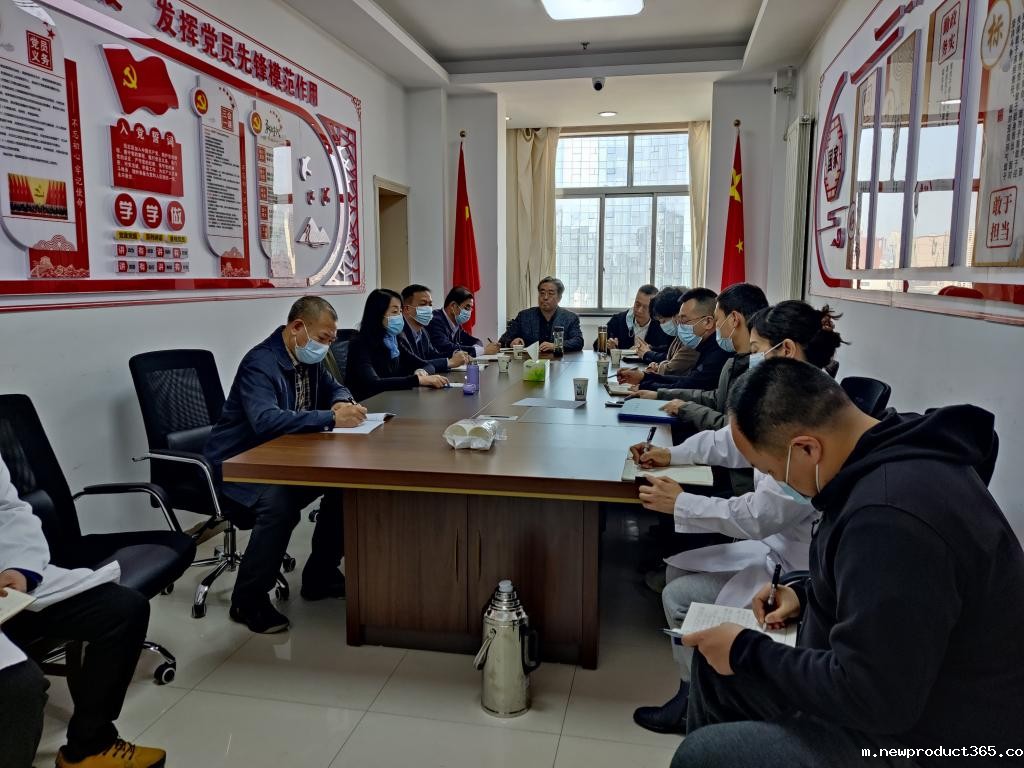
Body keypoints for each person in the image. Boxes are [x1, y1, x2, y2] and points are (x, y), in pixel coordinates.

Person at [672, 359, 1024, 768]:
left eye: (771, 471)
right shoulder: (890, 453)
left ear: (807, 448)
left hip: (938, 741)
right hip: (894, 689)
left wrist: (748, 651)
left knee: (704, 753)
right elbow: (884, 595)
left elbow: (876, 699)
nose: (777, 481)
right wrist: (805, 593)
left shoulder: (890, 519)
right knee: (718, 671)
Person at [628, 301, 845, 736]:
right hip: (777, 547)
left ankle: (698, 705)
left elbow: (761, 514)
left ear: (785, 350)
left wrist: (682, 503)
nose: (753, 357)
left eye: (759, 348)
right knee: (676, 573)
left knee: (680, 594)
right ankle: (695, 690)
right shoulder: (791, 396)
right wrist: (672, 455)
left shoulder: (812, 419)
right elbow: (731, 441)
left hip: (795, 569)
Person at [204, 296, 369, 633]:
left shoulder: (307, 358)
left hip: (281, 458)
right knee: (279, 503)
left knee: (344, 487)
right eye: (322, 338)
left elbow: (335, 387)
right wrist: (330, 419)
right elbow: (265, 420)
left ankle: (320, 575)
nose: (325, 347)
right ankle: (247, 600)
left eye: (330, 340)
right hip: (238, 464)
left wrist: (340, 402)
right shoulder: (261, 364)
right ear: (297, 328)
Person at [0, 455, 165, 768]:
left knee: (123, 610)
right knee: (19, 686)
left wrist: (18, 568)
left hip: (8, 586)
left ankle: (90, 745)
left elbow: (7, 509)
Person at [632, 283, 768, 437]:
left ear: (734, 319)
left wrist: (683, 407)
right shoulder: (735, 360)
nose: (715, 326)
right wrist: (659, 394)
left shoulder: (755, 367)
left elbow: (736, 431)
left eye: (717, 319)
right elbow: (716, 398)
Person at [345, 288, 449, 401]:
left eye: (400, 311)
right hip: (368, 404)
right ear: (378, 314)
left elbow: (427, 365)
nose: (400, 316)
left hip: (392, 400)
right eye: (395, 312)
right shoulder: (359, 344)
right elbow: (374, 384)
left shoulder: (394, 340)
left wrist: (421, 372)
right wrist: (417, 380)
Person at [619, 288, 729, 391]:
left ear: (708, 322)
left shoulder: (719, 350)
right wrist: (644, 377)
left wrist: (646, 385)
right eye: (678, 320)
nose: (679, 326)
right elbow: (688, 380)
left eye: (684, 321)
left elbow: (691, 385)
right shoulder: (703, 344)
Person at [398, 284, 471, 373]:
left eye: (430, 304)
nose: (428, 309)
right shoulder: (399, 333)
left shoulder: (423, 331)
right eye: (423, 304)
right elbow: (413, 365)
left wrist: (454, 355)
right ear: (406, 309)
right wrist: (449, 362)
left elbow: (433, 355)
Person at [499, 276, 584, 352]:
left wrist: (555, 346)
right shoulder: (524, 316)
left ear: (559, 298)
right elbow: (503, 340)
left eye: (550, 293)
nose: (545, 297)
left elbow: (578, 342)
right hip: (530, 362)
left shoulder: (570, 318)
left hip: (559, 361)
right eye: (542, 293)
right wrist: (512, 342)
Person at [592, 284, 670, 355]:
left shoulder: (661, 323)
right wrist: (610, 347)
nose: (639, 310)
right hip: (622, 364)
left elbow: (667, 352)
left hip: (648, 365)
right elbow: (597, 345)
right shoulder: (619, 320)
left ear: (653, 308)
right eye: (637, 304)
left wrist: (649, 351)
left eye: (645, 307)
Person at [427, 285, 501, 358]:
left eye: (471, 308)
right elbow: (445, 348)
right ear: (453, 306)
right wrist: (483, 350)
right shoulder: (434, 320)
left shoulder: (456, 323)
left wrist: (478, 348)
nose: (470, 311)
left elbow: (474, 341)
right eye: (467, 307)